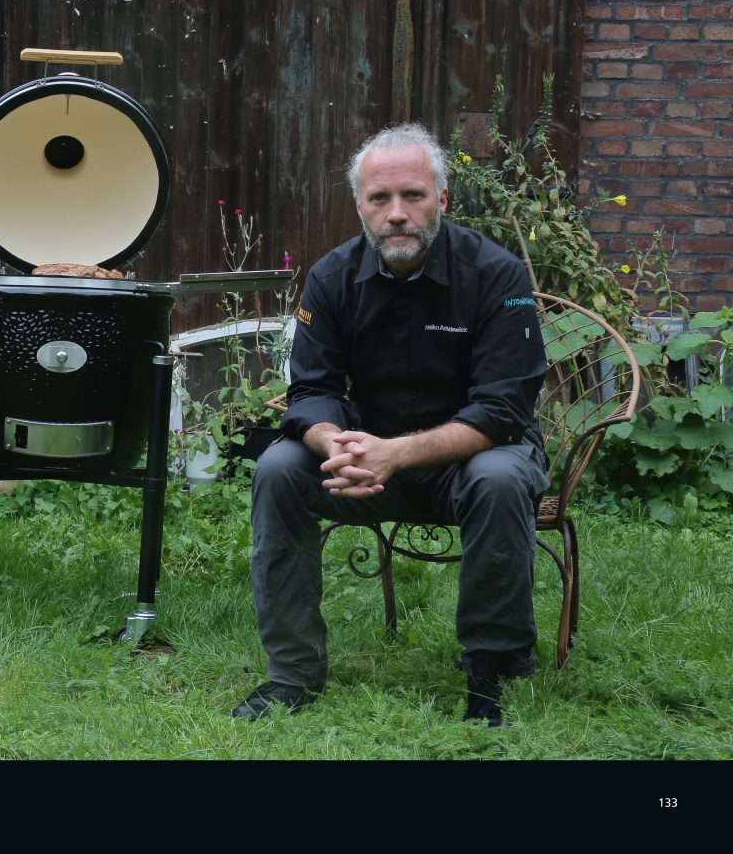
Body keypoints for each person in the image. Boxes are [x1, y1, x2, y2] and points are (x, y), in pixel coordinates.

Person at [234, 122, 549, 727]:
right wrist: (336, 444)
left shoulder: (497, 274)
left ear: (443, 199)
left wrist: (395, 453)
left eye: (413, 195)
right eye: (380, 198)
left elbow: (503, 410)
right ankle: (292, 673)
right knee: (278, 468)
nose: (397, 213)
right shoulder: (331, 278)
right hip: (370, 466)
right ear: (360, 205)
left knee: (501, 477)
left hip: (474, 459)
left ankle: (493, 672)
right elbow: (312, 391)